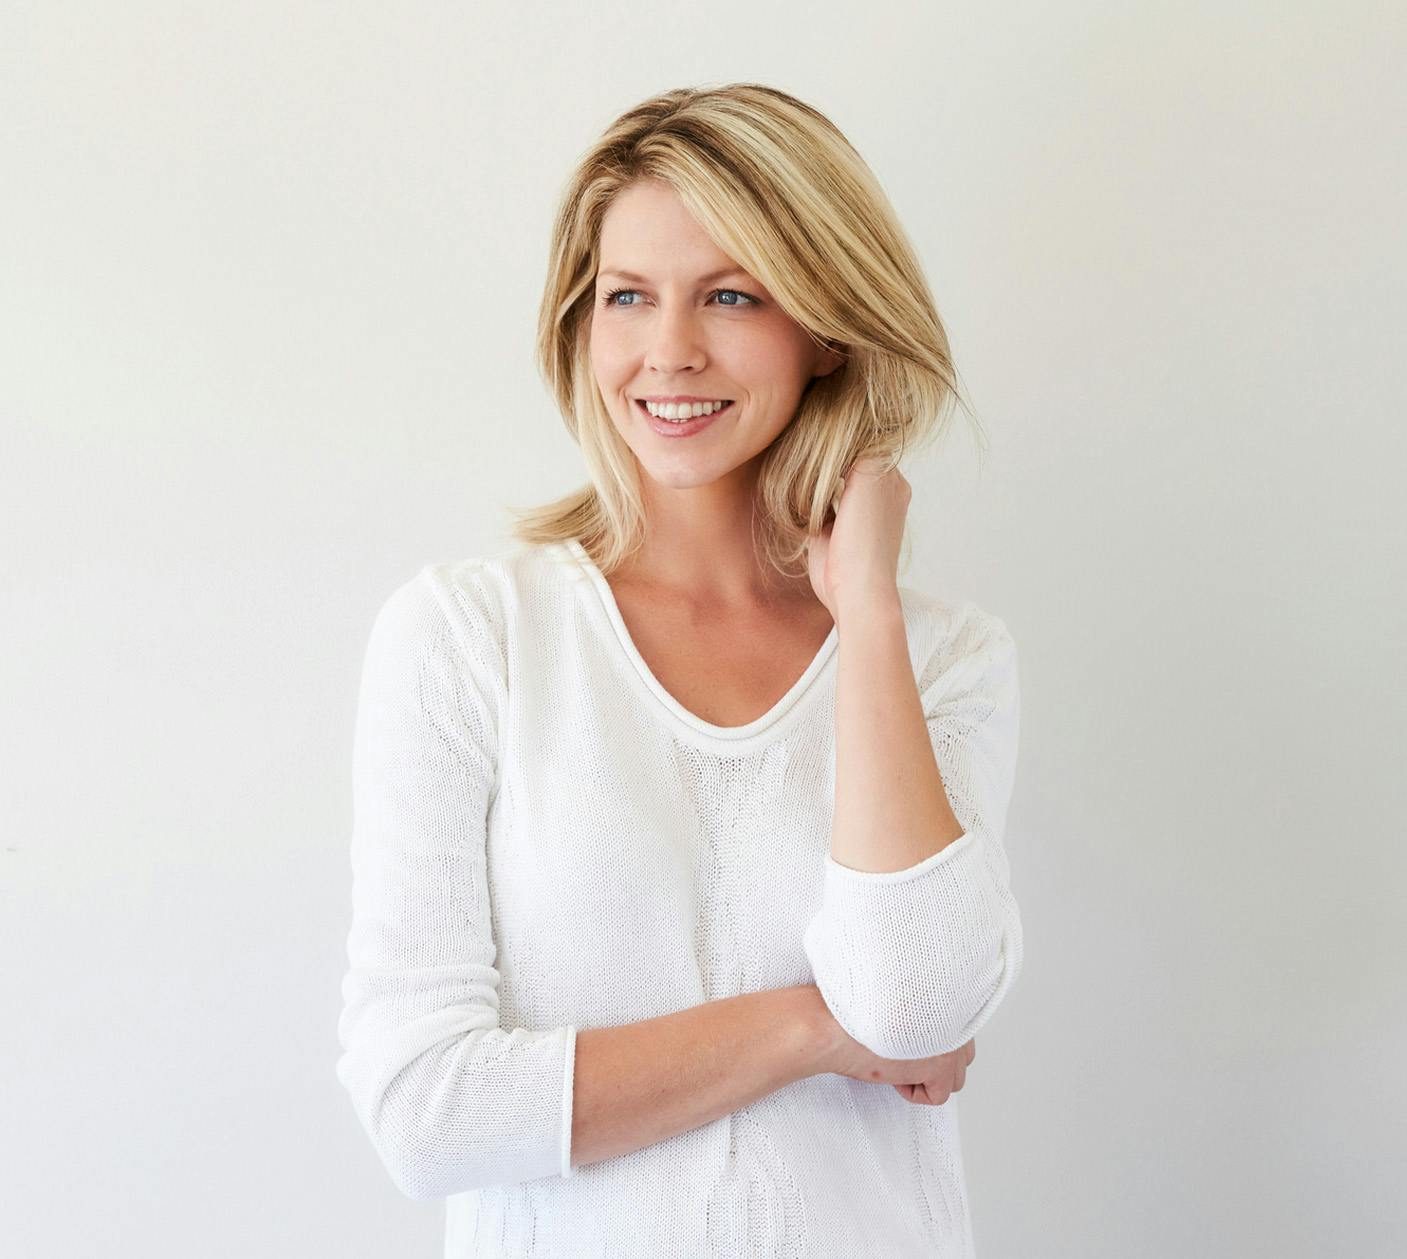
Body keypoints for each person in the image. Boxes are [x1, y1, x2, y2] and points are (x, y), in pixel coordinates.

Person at [335, 82, 1023, 1258]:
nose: (669, 351)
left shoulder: (946, 656)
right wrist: (812, 1029)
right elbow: (425, 1110)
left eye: (732, 295)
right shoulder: (469, 639)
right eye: (628, 297)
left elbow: (913, 1002)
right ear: (581, 323)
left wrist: (864, 607)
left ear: (825, 327)